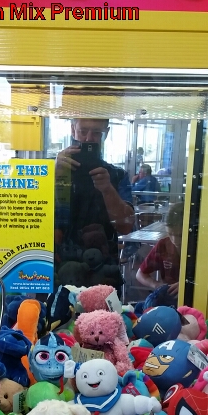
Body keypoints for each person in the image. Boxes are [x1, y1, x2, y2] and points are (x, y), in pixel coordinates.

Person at [54, 118, 134, 289]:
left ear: (106, 133)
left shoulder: (117, 175)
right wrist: (51, 175)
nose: (89, 138)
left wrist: (108, 189)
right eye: (83, 131)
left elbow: (126, 226)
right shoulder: (53, 171)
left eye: (96, 133)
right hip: (58, 268)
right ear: (72, 129)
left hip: (102, 269)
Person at [135, 201, 184, 300]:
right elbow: (140, 274)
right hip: (170, 298)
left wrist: (186, 285)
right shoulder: (163, 245)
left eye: (180, 235)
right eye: (170, 234)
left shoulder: (201, 248)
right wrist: (156, 285)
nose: (175, 240)